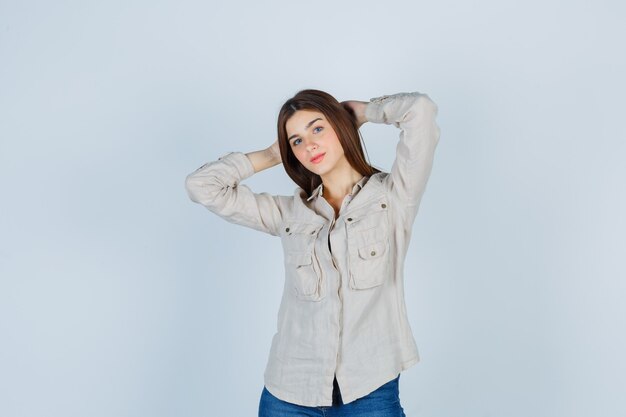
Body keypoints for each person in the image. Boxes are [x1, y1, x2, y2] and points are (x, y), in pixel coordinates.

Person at [185, 89, 441, 416]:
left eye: (318, 128)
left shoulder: (392, 198)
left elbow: (420, 110)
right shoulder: (289, 213)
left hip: (369, 388)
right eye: (296, 141)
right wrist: (270, 154)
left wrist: (363, 112)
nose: (310, 145)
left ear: (339, 125)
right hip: (289, 392)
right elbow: (201, 186)